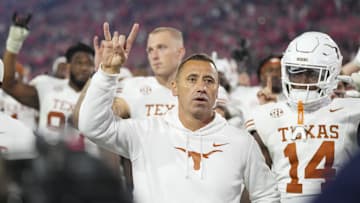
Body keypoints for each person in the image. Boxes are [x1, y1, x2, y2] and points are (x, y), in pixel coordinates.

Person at [77, 22, 280, 203]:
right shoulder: (145, 132)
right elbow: (91, 125)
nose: (201, 87)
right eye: (192, 79)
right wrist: (107, 73)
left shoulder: (241, 142)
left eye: (208, 81)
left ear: (218, 91)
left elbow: (267, 195)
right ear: (175, 88)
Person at [245, 31, 360, 203]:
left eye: (312, 73)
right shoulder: (265, 116)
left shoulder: (352, 110)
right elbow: (255, 185)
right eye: (296, 72)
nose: (303, 80)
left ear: (332, 74)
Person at [2, 13, 96, 154]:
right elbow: (9, 85)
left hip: (88, 166)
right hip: (48, 163)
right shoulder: (47, 87)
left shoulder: (99, 96)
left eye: (89, 64)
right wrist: (14, 42)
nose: (84, 67)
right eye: (79, 62)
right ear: (68, 66)